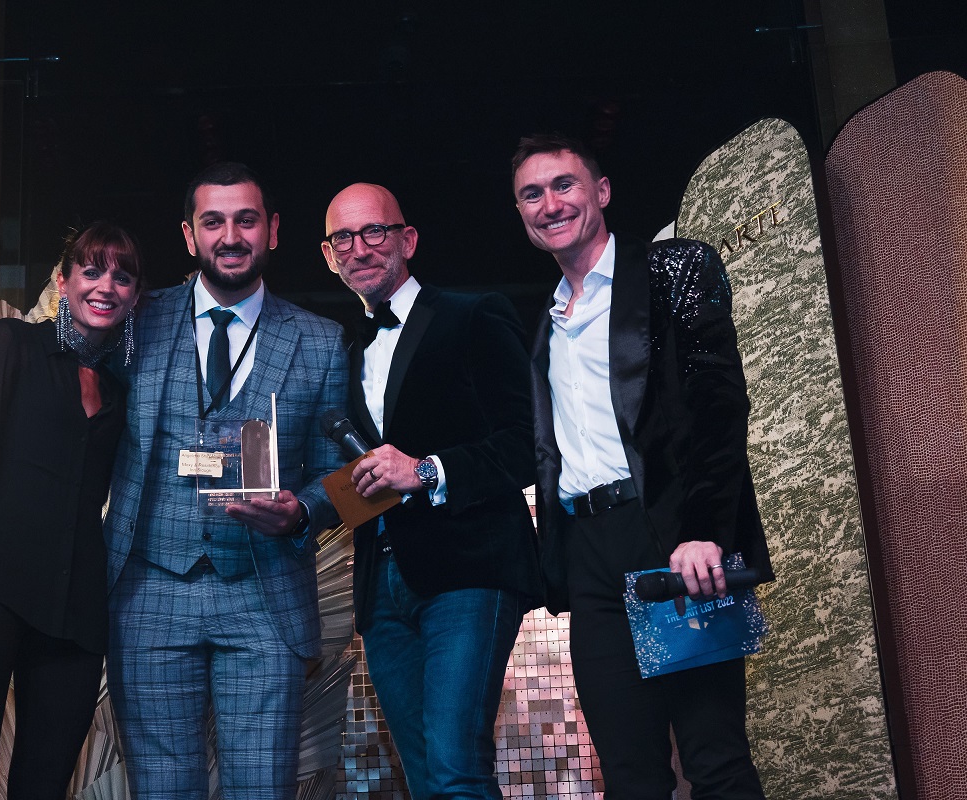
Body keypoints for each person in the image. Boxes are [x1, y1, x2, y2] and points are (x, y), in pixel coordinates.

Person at [512, 133, 775, 798]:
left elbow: (718, 409)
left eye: (564, 185)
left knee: (714, 761)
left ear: (601, 191)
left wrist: (704, 531)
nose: (550, 204)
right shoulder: (547, 320)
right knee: (630, 774)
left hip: (670, 533)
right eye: (531, 194)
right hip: (589, 554)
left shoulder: (672, 269)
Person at [103, 162, 348, 800]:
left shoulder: (321, 342)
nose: (231, 236)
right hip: (148, 593)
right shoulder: (136, 320)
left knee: (262, 790)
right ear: (190, 235)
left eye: (246, 220)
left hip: (263, 597)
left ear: (273, 231)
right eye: (213, 222)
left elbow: (338, 473)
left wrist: (301, 511)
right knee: (161, 791)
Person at [320, 183, 542, 799]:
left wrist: (427, 470)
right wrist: (297, 508)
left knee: (454, 770)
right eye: (343, 238)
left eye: (375, 231)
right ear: (329, 256)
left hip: (468, 571)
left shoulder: (475, 315)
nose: (360, 248)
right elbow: (350, 476)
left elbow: (527, 443)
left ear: (408, 239)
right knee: (425, 780)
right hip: (380, 587)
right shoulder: (342, 351)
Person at [0, 221, 142, 799]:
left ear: (135, 296)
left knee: (44, 785)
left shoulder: (122, 390)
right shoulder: (12, 343)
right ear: (63, 281)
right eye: (92, 271)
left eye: (122, 277)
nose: (106, 286)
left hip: (76, 611)